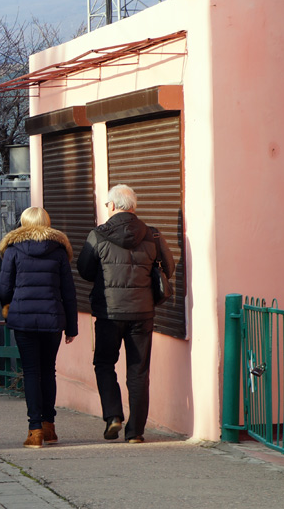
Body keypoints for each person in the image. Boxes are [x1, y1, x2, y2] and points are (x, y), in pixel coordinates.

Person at [77, 184, 174, 444]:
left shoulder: (97, 235)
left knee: (104, 364)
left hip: (109, 312)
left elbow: (85, 270)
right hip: (142, 312)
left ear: (112, 206)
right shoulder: (152, 235)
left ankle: (113, 416)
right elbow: (169, 268)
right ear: (133, 207)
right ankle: (136, 432)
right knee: (138, 371)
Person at [0, 207, 79, 449]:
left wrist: (9, 306)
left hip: (23, 319)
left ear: (23, 224)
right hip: (52, 319)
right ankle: (49, 427)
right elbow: (68, 292)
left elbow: (3, 287)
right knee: (49, 371)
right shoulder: (58, 252)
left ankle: (35, 432)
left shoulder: (12, 251)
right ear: (47, 223)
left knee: (31, 372)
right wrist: (72, 327)